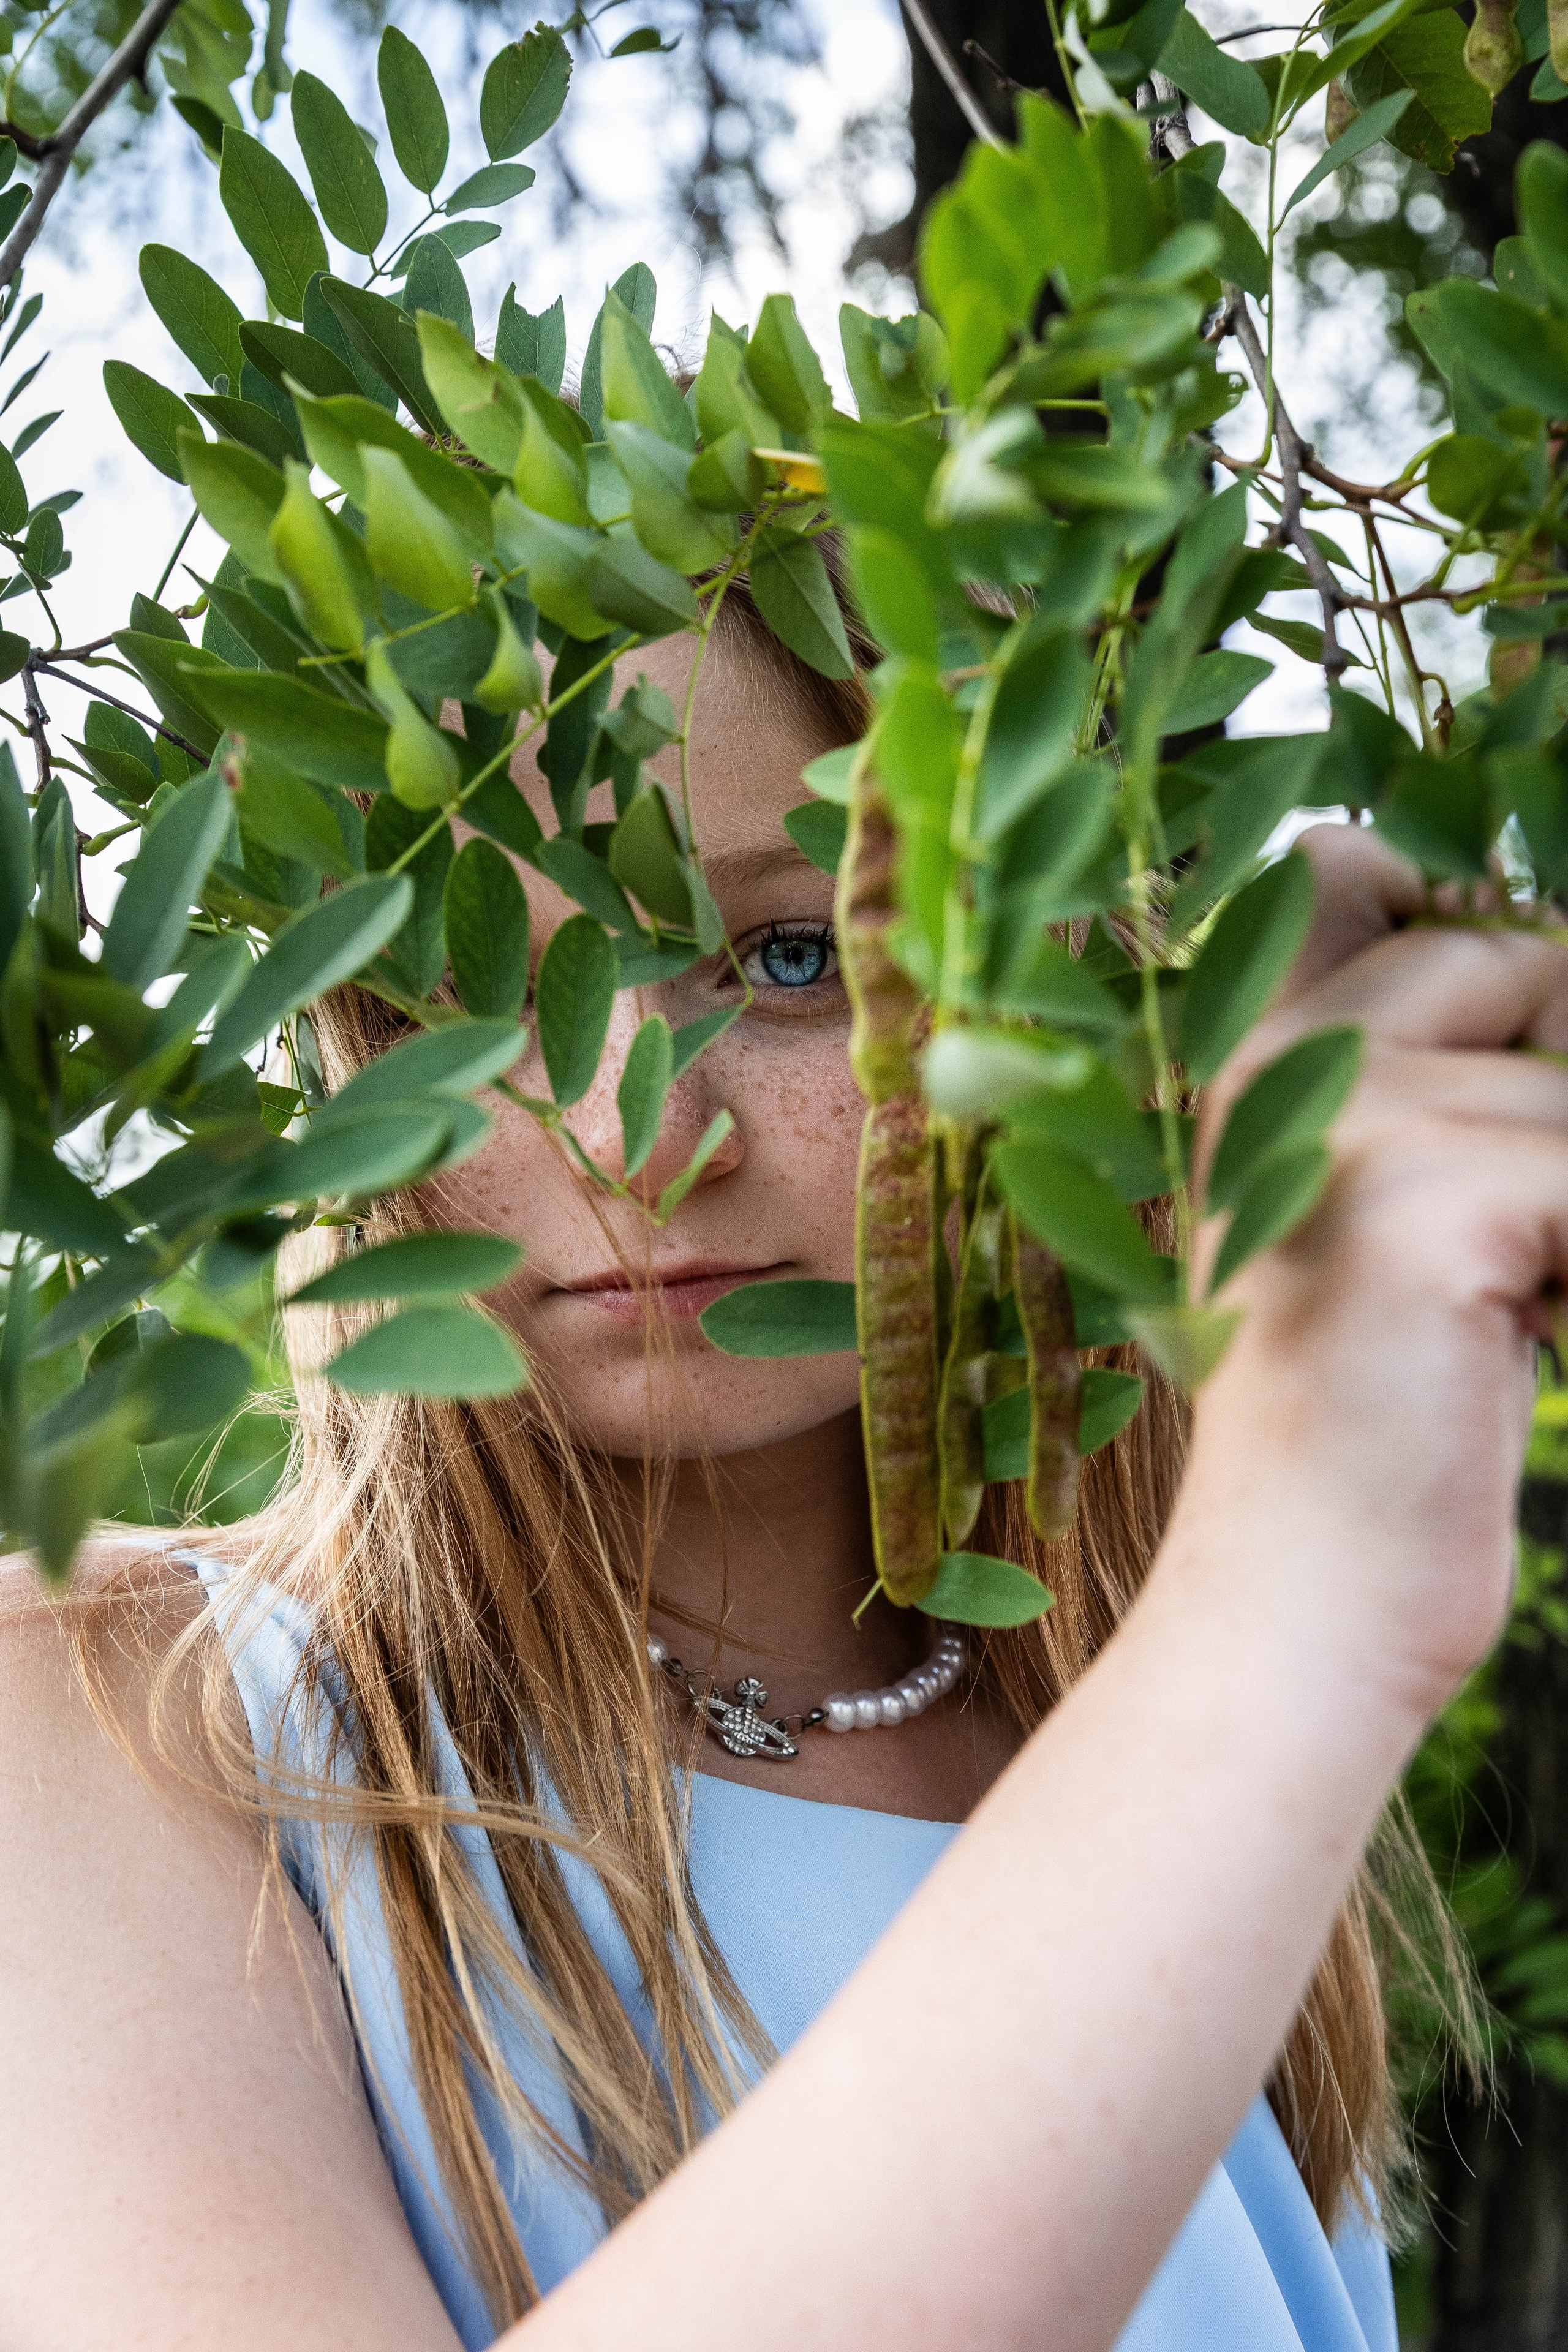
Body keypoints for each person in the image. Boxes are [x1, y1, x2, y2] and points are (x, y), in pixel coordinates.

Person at [0, 567, 1553, 2352]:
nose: (639, 1136)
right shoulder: (104, 1718)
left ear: (1043, 999)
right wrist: (1288, 1611)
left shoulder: (1133, 1743)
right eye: (466, 991)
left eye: (790, 958)